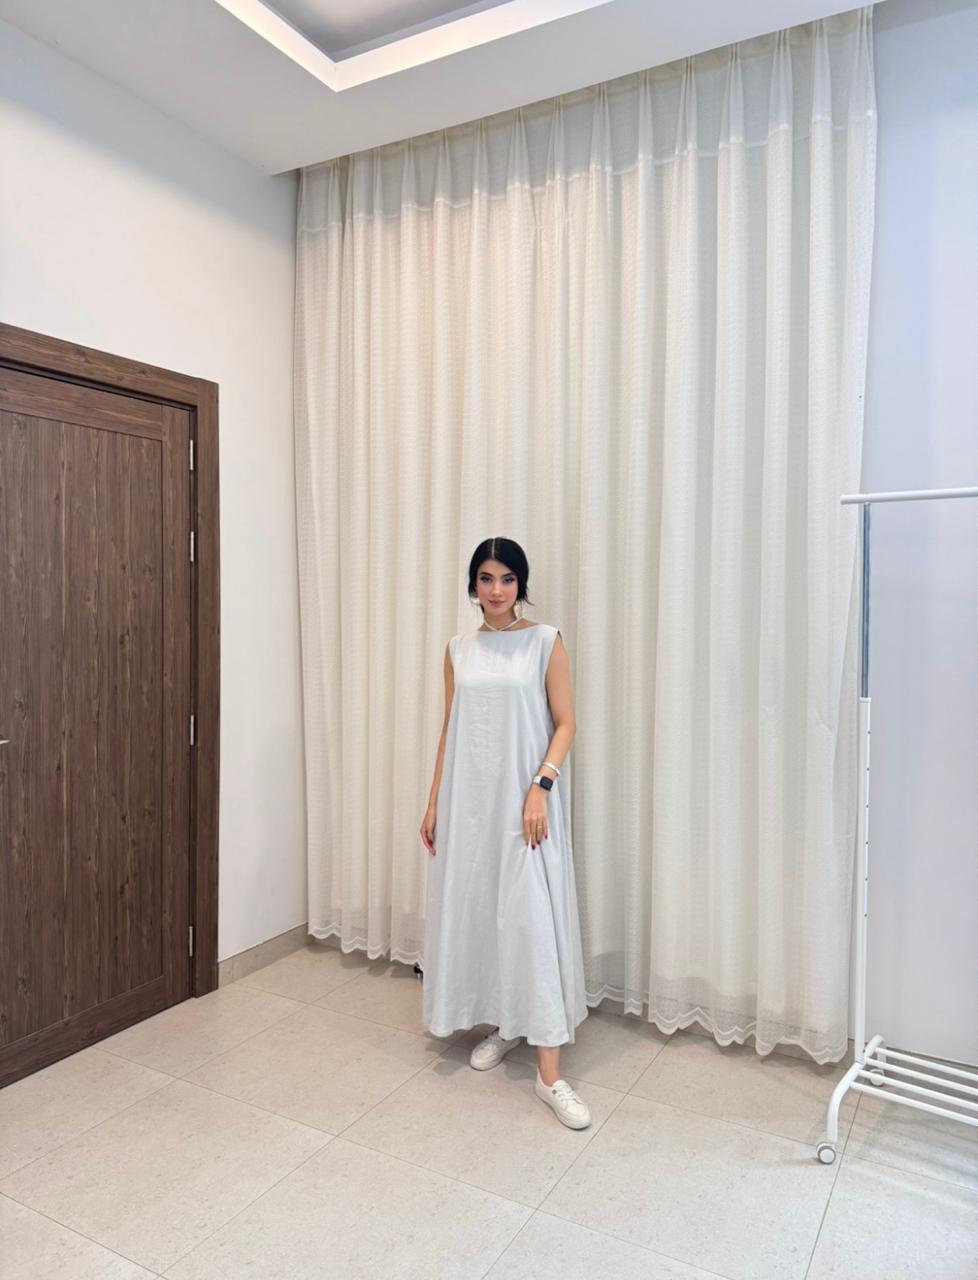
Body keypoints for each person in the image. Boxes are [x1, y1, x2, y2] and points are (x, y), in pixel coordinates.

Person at [419, 537, 590, 1129]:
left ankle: (551, 1077)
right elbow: (451, 728)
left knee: (529, 921)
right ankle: (506, 1023)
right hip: (469, 806)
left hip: (526, 808)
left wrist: (541, 786)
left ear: (521, 584)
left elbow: (566, 724)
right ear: (473, 585)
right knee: (483, 913)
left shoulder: (545, 642)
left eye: (508, 579)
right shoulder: (457, 650)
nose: (497, 590)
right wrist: (434, 801)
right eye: (486, 578)